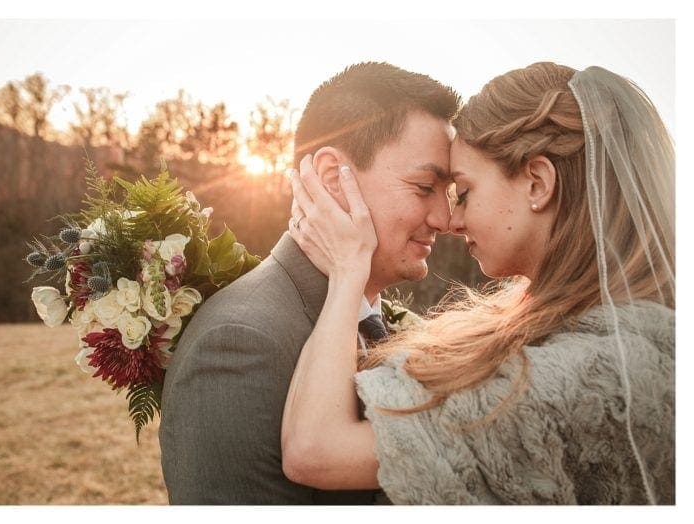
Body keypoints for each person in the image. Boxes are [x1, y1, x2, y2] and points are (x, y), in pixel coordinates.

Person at [281, 62, 674, 504]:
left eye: (463, 192)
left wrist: (347, 270)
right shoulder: (624, 333)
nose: (453, 219)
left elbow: (314, 450)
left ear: (538, 184)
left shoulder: (585, 373)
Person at [159, 62, 461, 504]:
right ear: (331, 177)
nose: (445, 218)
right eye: (423, 187)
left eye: (449, 191)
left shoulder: (378, 320)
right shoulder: (241, 342)